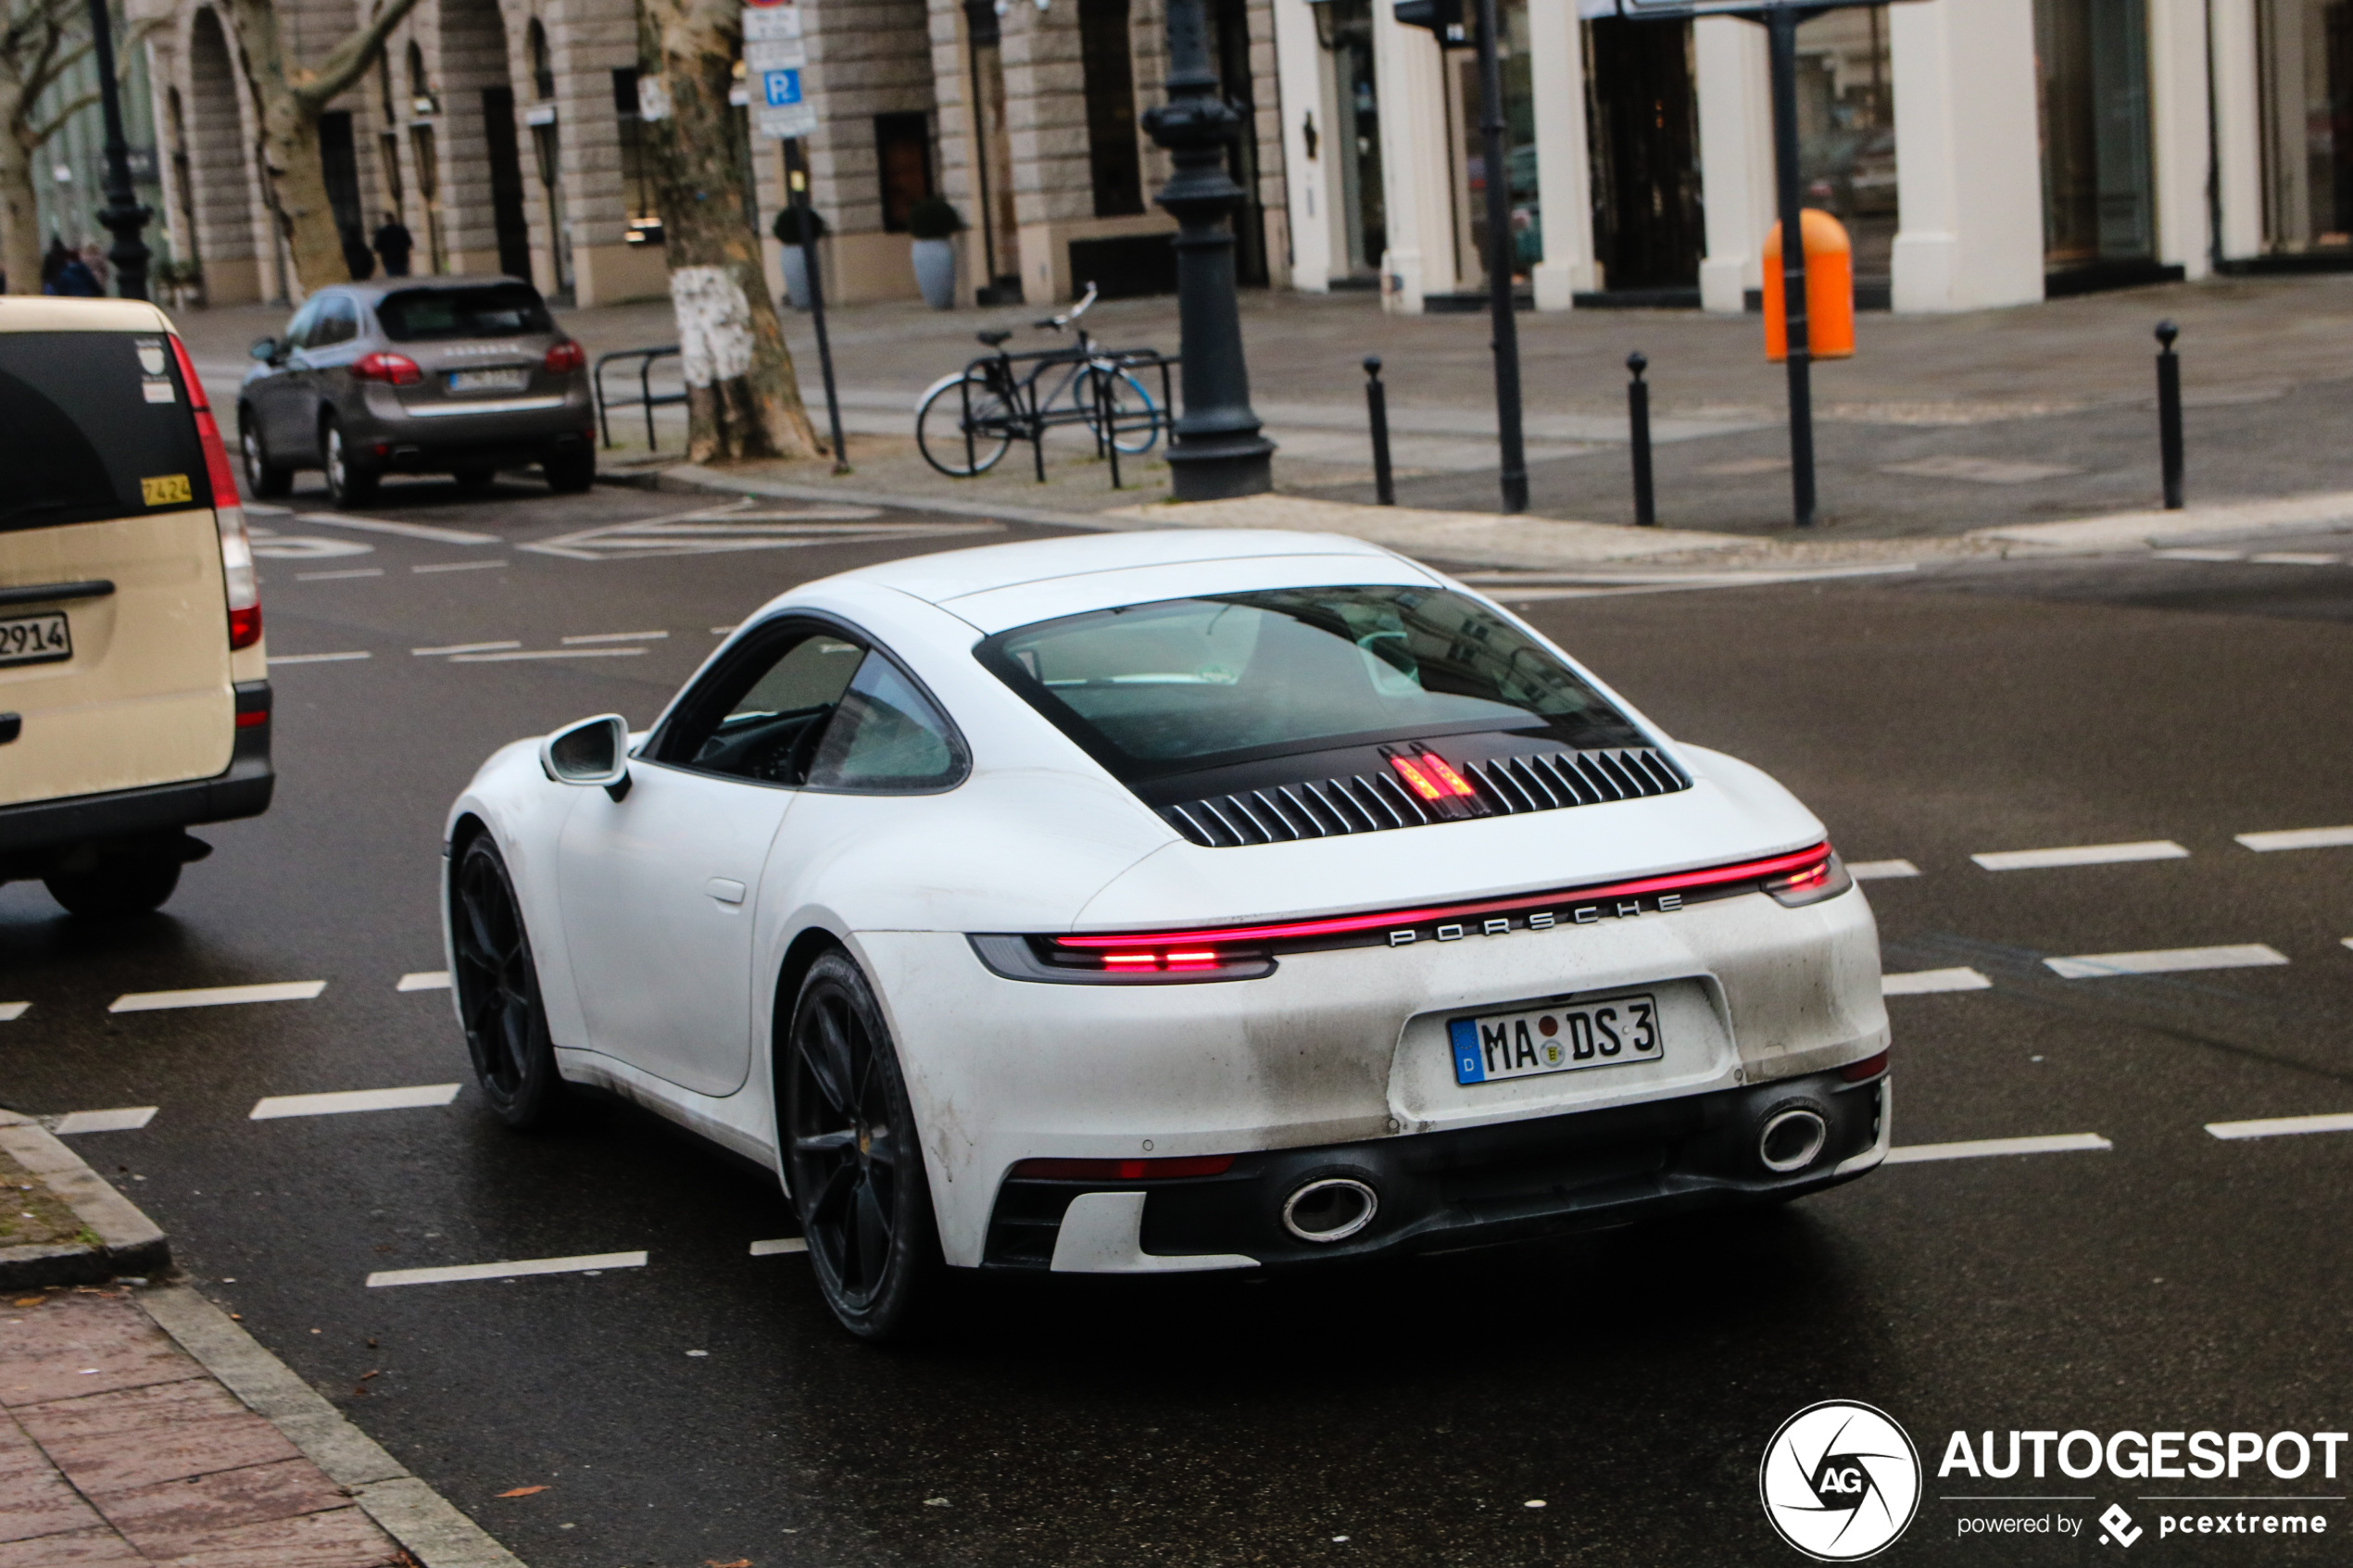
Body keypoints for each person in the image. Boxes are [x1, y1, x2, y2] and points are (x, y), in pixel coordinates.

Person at [372, 213, 413, 277]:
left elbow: (376, 247)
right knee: (403, 278)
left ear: (386, 220)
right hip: (401, 259)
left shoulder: (382, 232)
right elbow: (409, 243)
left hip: (389, 261)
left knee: (392, 278)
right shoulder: (401, 230)